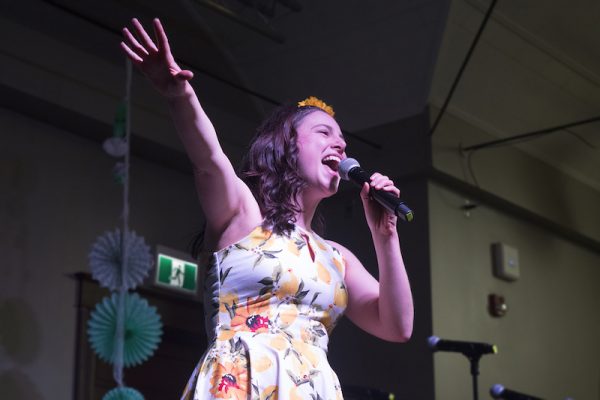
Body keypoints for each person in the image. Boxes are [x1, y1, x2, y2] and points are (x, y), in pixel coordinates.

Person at [120, 18, 413, 400]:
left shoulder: (336, 257)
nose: (340, 147)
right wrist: (180, 95)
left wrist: (385, 235)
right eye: (324, 134)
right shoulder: (243, 216)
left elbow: (398, 326)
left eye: (343, 141)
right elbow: (209, 159)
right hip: (241, 382)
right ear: (286, 147)